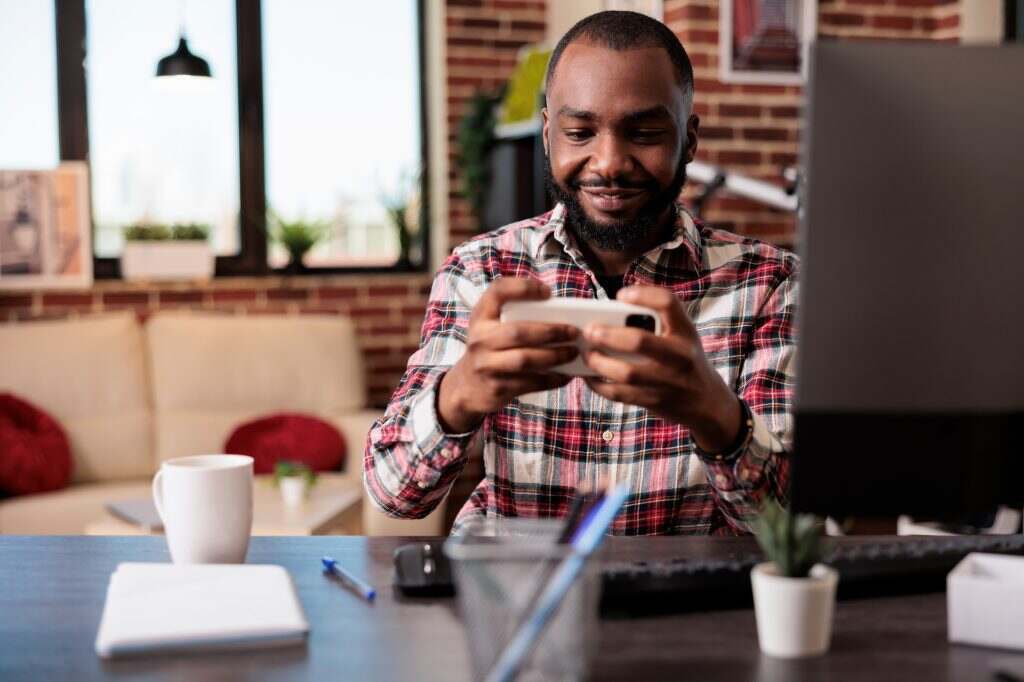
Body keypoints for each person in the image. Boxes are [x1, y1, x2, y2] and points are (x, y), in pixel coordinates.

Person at [364, 11, 797, 535]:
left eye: (643, 133)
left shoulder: (769, 284)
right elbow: (393, 494)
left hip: (687, 604)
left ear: (689, 138)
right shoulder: (481, 271)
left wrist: (715, 415)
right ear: (548, 135)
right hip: (515, 598)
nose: (609, 161)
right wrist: (456, 397)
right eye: (580, 131)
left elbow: (785, 522)